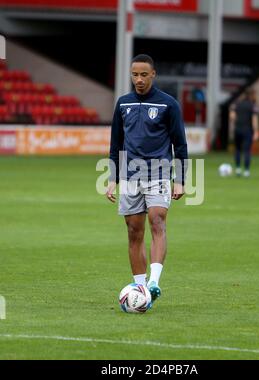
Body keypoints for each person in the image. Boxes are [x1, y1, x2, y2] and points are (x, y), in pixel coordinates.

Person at [106, 54, 188, 305]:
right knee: (134, 231)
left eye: (143, 74)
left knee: (157, 220)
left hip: (159, 172)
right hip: (131, 175)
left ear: (153, 75)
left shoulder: (168, 104)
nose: (139, 80)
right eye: (134, 75)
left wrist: (180, 179)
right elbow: (115, 144)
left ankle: (154, 282)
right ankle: (141, 290)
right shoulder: (123, 104)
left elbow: (180, 144)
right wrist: (112, 178)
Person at [229, 89, 259, 177]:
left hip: (238, 130)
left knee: (238, 150)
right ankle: (246, 171)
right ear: (251, 95)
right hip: (247, 130)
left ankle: (238, 169)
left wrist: (236, 123)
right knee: (247, 150)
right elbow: (254, 119)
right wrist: (256, 131)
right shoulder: (252, 105)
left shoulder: (237, 104)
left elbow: (232, 116)